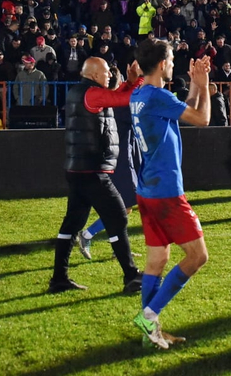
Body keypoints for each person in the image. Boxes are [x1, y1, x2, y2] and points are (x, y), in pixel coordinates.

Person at [130, 40, 212, 350]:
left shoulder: (141, 94)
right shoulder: (157, 96)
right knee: (197, 256)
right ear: (163, 64)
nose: (175, 63)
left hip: (148, 190)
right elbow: (201, 118)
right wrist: (204, 87)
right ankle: (149, 316)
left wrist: (193, 84)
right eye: (173, 59)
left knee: (157, 260)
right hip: (165, 192)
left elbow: (182, 110)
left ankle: (150, 329)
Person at [49, 57, 144, 294]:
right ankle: (131, 276)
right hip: (92, 171)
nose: (109, 75)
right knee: (119, 216)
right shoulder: (91, 93)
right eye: (105, 72)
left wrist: (129, 83)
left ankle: (59, 279)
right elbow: (121, 99)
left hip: (78, 169)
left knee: (72, 224)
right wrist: (137, 81)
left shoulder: (80, 92)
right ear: (93, 74)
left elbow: (115, 97)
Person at [77, 67, 141, 259]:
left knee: (123, 206)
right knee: (124, 206)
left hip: (120, 158)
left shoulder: (111, 101)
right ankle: (88, 235)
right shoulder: (120, 104)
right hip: (120, 161)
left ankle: (118, 248)